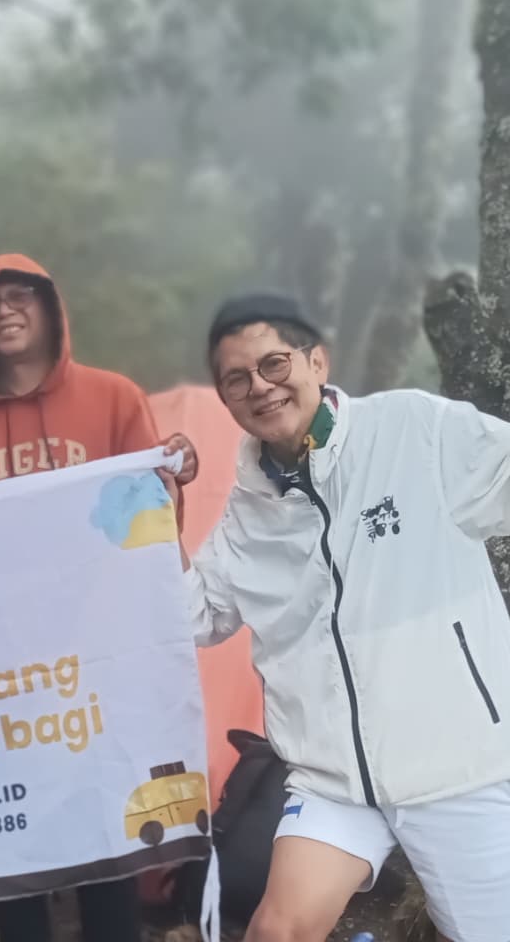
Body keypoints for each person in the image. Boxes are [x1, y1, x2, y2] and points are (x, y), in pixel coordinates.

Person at [186, 292, 510, 942]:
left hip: (458, 765)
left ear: (316, 361)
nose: (260, 387)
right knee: (277, 933)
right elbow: (189, 618)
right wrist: (153, 519)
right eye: (237, 379)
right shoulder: (248, 514)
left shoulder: (414, 431)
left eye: (274, 363)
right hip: (333, 779)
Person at [0, 253, 198, 942]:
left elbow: (152, 523)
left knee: (108, 832)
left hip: (99, 661)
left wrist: (173, 478)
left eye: (20, 296)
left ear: (51, 309)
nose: (5, 310)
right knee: (17, 843)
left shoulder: (114, 398)